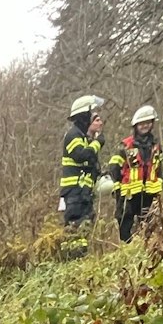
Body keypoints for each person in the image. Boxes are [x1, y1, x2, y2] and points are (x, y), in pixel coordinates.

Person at [109, 105, 163, 243]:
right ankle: (126, 249)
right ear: (135, 125)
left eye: (148, 123)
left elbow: (159, 168)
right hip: (129, 194)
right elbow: (114, 167)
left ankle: (146, 249)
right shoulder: (126, 145)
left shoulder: (157, 145)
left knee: (149, 225)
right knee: (125, 225)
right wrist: (117, 190)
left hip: (149, 194)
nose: (145, 126)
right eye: (142, 123)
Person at [60, 95, 106, 255]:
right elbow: (81, 155)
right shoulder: (73, 135)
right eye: (90, 113)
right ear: (83, 115)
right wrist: (97, 143)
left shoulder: (83, 136)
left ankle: (80, 258)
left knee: (85, 229)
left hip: (83, 193)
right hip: (74, 193)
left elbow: (87, 164)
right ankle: (72, 261)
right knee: (75, 229)